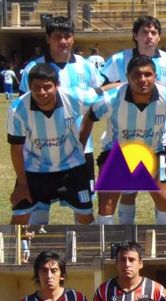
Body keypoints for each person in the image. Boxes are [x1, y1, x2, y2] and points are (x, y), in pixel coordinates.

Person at [100, 16, 166, 224]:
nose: (149, 37)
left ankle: (164, 230)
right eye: (144, 32)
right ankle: (125, 231)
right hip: (126, 139)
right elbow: (99, 87)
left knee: (164, 194)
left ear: (159, 37)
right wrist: (121, 87)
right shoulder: (119, 60)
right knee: (128, 191)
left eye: (153, 33)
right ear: (135, 35)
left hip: (162, 140)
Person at [80, 55, 166, 225]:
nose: (142, 79)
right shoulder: (111, 99)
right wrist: (80, 149)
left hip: (153, 152)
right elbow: (90, 117)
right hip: (117, 154)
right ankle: (106, 238)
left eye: (147, 74)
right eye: (136, 75)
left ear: (155, 76)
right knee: (106, 208)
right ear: (128, 77)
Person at [18, 17, 104, 226]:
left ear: (73, 38)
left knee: (83, 209)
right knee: (38, 210)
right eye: (57, 36)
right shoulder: (33, 68)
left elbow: (94, 104)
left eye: (67, 36)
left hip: (80, 150)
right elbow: (24, 108)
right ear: (48, 38)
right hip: (41, 153)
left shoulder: (86, 67)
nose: (63, 41)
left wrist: (83, 138)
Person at [7, 63, 99, 225]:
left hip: (73, 167)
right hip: (35, 169)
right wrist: (22, 183)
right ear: (29, 86)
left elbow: (103, 91)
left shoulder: (74, 97)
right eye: (36, 87)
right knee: (19, 219)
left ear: (57, 86)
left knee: (85, 216)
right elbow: (16, 148)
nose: (41, 92)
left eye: (47, 87)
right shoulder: (18, 109)